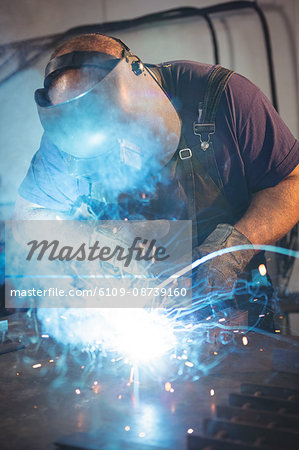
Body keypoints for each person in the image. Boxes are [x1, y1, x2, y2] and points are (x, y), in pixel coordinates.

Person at [14, 33, 299, 329]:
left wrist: (234, 247)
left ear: (136, 76)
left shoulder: (222, 98)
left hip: (234, 313)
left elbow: (291, 183)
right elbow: (30, 217)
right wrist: (93, 248)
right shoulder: (64, 142)